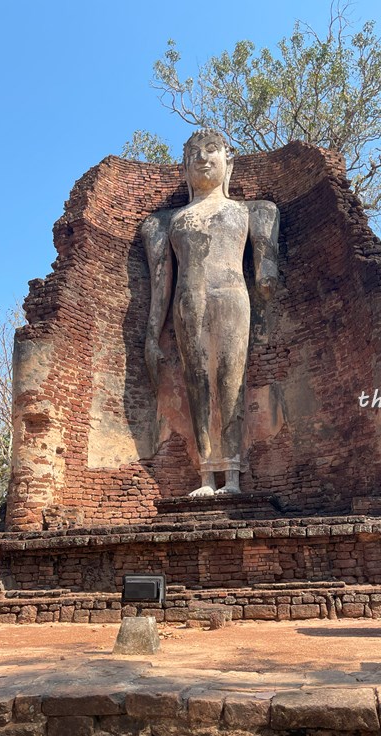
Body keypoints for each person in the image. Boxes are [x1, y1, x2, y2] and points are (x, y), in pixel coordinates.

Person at [142, 128, 279, 496]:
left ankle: (232, 475)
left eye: (211, 149)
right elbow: (161, 286)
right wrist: (151, 335)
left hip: (232, 296)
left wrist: (267, 267)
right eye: (194, 154)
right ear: (184, 167)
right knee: (197, 382)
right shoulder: (167, 221)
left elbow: (266, 270)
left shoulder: (250, 212)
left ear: (228, 161)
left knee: (231, 381)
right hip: (189, 301)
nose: (202, 158)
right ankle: (206, 474)